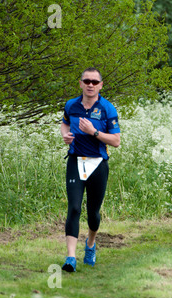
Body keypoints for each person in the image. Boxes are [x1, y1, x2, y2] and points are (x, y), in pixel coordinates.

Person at [60, 67, 121, 272]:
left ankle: (91, 244)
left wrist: (94, 132)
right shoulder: (71, 105)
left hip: (98, 164)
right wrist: (66, 135)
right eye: (87, 81)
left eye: (95, 82)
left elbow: (116, 141)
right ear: (80, 83)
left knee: (93, 213)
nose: (90, 85)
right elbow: (65, 124)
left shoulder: (107, 108)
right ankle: (70, 258)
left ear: (101, 85)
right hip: (75, 161)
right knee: (74, 208)